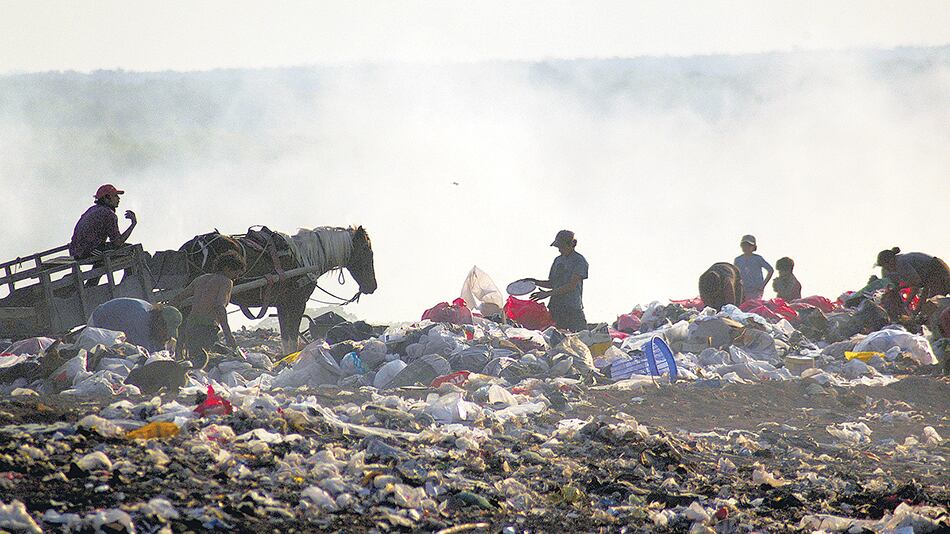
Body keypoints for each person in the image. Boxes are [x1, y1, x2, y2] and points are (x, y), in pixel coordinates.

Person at [170, 253, 245, 367]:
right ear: (227, 268)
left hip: (190, 326)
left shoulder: (200, 279)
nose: (236, 277)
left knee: (194, 359)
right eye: (236, 273)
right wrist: (228, 335)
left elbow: (179, 297)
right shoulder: (226, 281)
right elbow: (220, 306)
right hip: (207, 327)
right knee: (204, 363)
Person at [524, 230, 589, 331]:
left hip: (572, 307)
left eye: (561, 246)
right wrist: (535, 282)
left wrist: (547, 294)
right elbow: (552, 283)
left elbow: (571, 285)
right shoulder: (558, 260)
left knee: (581, 335)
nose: (559, 249)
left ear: (571, 244)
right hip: (556, 307)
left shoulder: (579, 261)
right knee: (556, 337)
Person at [87, 297, 182, 353]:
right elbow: (145, 353)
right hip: (97, 326)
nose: (165, 336)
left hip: (113, 324)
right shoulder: (140, 320)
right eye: (166, 332)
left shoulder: (150, 314)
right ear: (160, 322)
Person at [69, 184, 137, 260]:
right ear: (107, 198)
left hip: (76, 249)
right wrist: (133, 224)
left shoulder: (93, 209)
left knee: (117, 250)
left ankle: (100, 266)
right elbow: (117, 242)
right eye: (115, 196)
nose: (118, 198)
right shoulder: (108, 214)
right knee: (132, 250)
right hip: (87, 251)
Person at [876, 247, 950, 302]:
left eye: (885, 266)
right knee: (930, 301)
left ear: (891, 261)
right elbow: (918, 285)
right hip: (931, 274)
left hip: (936, 270)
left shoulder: (901, 263)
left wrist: (899, 289)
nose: (886, 269)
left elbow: (916, 283)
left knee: (935, 301)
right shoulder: (899, 264)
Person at [733, 235, 773, 302]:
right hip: (743, 290)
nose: (746, 247)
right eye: (744, 245)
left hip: (755, 290)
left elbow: (770, 270)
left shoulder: (758, 258)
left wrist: (763, 285)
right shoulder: (738, 260)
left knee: (753, 305)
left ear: (753, 247)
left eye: (749, 245)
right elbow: (735, 274)